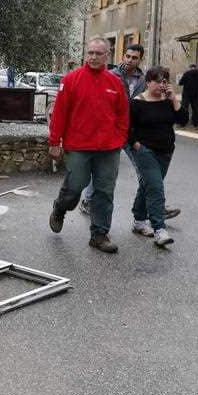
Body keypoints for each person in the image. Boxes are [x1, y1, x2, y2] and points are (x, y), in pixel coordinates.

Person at [78, 44, 181, 220]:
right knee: (103, 167)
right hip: (111, 129)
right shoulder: (111, 75)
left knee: (146, 169)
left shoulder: (143, 79)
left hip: (132, 130)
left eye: (134, 57)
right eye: (127, 56)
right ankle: (88, 200)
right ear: (123, 56)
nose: (129, 60)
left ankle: (156, 205)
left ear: (140, 59)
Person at [48, 38, 130, 253]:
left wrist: (120, 138)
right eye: (90, 52)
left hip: (108, 148)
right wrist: (54, 142)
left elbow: (123, 114)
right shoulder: (71, 79)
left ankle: (99, 235)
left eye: (98, 53)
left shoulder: (115, 83)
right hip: (79, 145)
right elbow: (59, 113)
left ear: (107, 56)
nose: (93, 57)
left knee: (104, 191)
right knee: (75, 186)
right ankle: (60, 207)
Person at [128, 67, 188, 246]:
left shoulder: (168, 101)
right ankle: (159, 229)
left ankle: (139, 221)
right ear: (148, 82)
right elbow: (126, 127)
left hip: (166, 150)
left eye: (164, 81)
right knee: (155, 187)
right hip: (145, 150)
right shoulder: (137, 102)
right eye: (158, 81)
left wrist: (174, 100)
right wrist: (136, 144)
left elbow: (183, 120)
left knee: (147, 185)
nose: (162, 85)